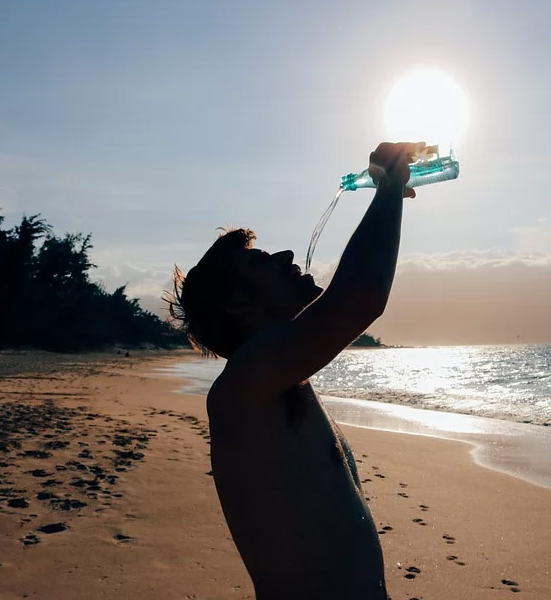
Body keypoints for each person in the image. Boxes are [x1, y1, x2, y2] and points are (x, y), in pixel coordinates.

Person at [168, 142, 423, 600]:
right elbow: (360, 297)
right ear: (239, 303)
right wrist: (387, 185)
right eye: (261, 260)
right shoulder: (244, 386)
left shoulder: (282, 383)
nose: (286, 255)